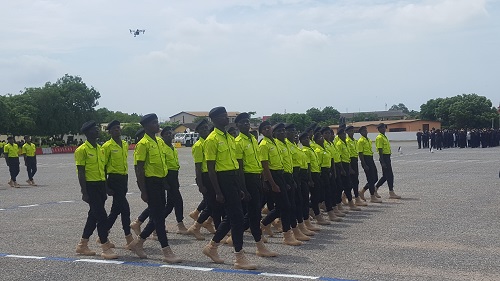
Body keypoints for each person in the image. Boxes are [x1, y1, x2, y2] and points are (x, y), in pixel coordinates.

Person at [201, 106, 257, 270]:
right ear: (215, 119)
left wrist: (240, 187)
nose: (227, 119)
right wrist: (217, 191)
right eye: (224, 116)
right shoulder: (212, 139)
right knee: (238, 217)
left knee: (234, 216)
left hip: (232, 179)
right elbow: (211, 168)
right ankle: (239, 257)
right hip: (222, 179)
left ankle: (211, 247)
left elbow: (235, 165)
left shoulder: (229, 137)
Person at [127, 113, 181, 263]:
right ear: (146, 126)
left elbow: (162, 163)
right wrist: (143, 191)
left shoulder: (158, 141)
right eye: (154, 123)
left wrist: (164, 181)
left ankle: (138, 243)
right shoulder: (143, 144)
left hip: (160, 182)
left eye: (157, 122)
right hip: (150, 184)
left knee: (157, 216)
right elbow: (139, 169)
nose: (157, 125)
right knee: (158, 218)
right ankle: (166, 251)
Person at [234, 112, 278, 257]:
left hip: (257, 178)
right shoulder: (238, 142)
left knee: (254, 213)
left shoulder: (253, 139)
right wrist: (243, 188)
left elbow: (258, 162)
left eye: (248, 122)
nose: (246, 124)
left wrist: (262, 180)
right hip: (247, 179)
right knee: (253, 215)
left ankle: (257, 243)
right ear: (237, 125)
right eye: (243, 122)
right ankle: (259, 246)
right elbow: (239, 167)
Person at [74, 121, 118, 259]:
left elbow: (102, 170)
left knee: (93, 216)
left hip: (100, 186)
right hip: (90, 186)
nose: (97, 131)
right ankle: (105, 246)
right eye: (94, 129)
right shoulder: (82, 150)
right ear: (87, 133)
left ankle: (82, 245)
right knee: (102, 217)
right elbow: (81, 173)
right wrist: (84, 192)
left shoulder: (100, 149)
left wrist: (106, 188)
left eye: (97, 129)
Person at [259, 121, 303, 246]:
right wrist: (272, 183)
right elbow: (265, 167)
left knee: (284, 206)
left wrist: (287, 181)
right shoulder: (264, 145)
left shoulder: (276, 144)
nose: (282, 133)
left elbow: (283, 163)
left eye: (283, 130)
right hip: (273, 176)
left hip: (282, 175)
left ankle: (263, 225)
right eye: (266, 129)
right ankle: (287, 235)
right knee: (285, 206)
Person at [101, 120, 133, 248]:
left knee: (116, 210)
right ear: (109, 131)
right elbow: (102, 167)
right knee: (125, 209)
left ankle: (103, 233)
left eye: (118, 128)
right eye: (114, 129)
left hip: (123, 178)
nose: (117, 130)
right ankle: (128, 237)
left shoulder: (124, 144)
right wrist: (106, 186)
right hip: (113, 179)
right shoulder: (107, 146)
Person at [161, 126, 189, 234]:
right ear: (162, 136)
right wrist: (165, 181)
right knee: (178, 200)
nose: (169, 135)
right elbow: (163, 165)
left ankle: (157, 223)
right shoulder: (163, 148)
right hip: (168, 176)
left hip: (174, 176)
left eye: (170, 133)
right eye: (166, 134)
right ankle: (180, 224)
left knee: (170, 204)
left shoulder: (172, 147)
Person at [375, 123, 402, 199]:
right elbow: (380, 149)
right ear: (379, 129)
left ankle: (375, 188)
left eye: (384, 127)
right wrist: (382, 161)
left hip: (387, 157)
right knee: (389, 175)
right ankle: (391, 192)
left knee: (385, 176)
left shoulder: (384, 137)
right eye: (381, 128)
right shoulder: (379, 137)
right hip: (384, 157)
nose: (383, 129)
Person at [357, 126, 382, 203]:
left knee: (375, 178)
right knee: (370, 179)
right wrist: (364, 164)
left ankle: (362, 191)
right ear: (360, 133)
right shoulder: (360, 141)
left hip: (370, 159)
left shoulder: (368, 140)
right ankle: (372, 196)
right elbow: (360, 154)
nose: (365, 132)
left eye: (365, 130)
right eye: (363, 131)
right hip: (365, 159)